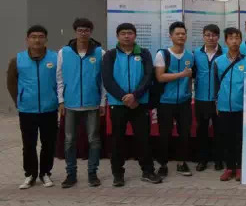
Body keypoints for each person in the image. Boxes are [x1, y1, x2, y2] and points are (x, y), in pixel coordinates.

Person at [102, 23, 162, 186]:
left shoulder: (144, 53)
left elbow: (148, 76)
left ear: (135, 35)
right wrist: (124, 97)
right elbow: (107, 80)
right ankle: (117, 174)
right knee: (117, 140)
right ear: (117, 36)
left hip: (140, 104)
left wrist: (135, 96)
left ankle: (148, 171)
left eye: (130, 33)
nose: (126, 36)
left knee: (143, 139)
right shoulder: (110, 55)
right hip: (117, 104)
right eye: (123, 33)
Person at [6, 25, 59, 189]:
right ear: (27, 39)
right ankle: (30, 174)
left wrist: (58, 100)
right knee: (28, 144)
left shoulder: (55, 58)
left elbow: (61, 81)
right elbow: (11, 83)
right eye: (33, 37)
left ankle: (45, 173)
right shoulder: (18, 59)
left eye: (41, 36)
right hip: (27, 109)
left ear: (46, 39)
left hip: (50, 108)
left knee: (48, 143)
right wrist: (19, 100)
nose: (37, 40)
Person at [57, 18, 106, 188]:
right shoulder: (64, 52)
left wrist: (102, 102)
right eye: (80, 30)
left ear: (91, 32)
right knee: (69, 140)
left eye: (86, 30)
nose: (83, 33)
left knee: (94, 139)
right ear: (75, 32)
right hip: (70, 104)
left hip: (93, 104)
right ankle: (71, 174)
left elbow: (103, 81)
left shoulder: (100, 52)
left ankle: (93, 173)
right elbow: (59, 78)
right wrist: (61, 100)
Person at [155, 21, 195, 178]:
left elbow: (190, 78)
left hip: (184, 101)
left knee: (184, 133)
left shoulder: (190, 56)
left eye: (183, 33)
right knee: (164, 134)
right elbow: (160, 77)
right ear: (170, 36)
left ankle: (181, 162)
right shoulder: (162, 54)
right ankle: (163, 164)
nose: (181, 36)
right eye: (177, 33)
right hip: (165, 101)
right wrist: (181, 75)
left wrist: (189, 93)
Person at [215, 27, 246, 181]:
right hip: (224, 106)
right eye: (231, 38)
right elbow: (216, 84)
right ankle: (229, 167)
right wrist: (216, 103)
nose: (234, 41)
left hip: (242, 107)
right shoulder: (218, 61)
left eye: (237, 38)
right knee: (226, 138)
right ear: (226, 41)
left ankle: (239, 168)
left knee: (240, 138)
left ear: (241, 40)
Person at [193, 24, 225, 172]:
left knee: (220, 130)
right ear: (203, 36)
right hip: (201, 98)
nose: (211, 38)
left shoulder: (225, 53)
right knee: (202, 130)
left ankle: (219, 160)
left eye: (214, 35)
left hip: (219, 99)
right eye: (208, 35)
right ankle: (202, 160)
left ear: (218, 37)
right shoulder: (196, 54)